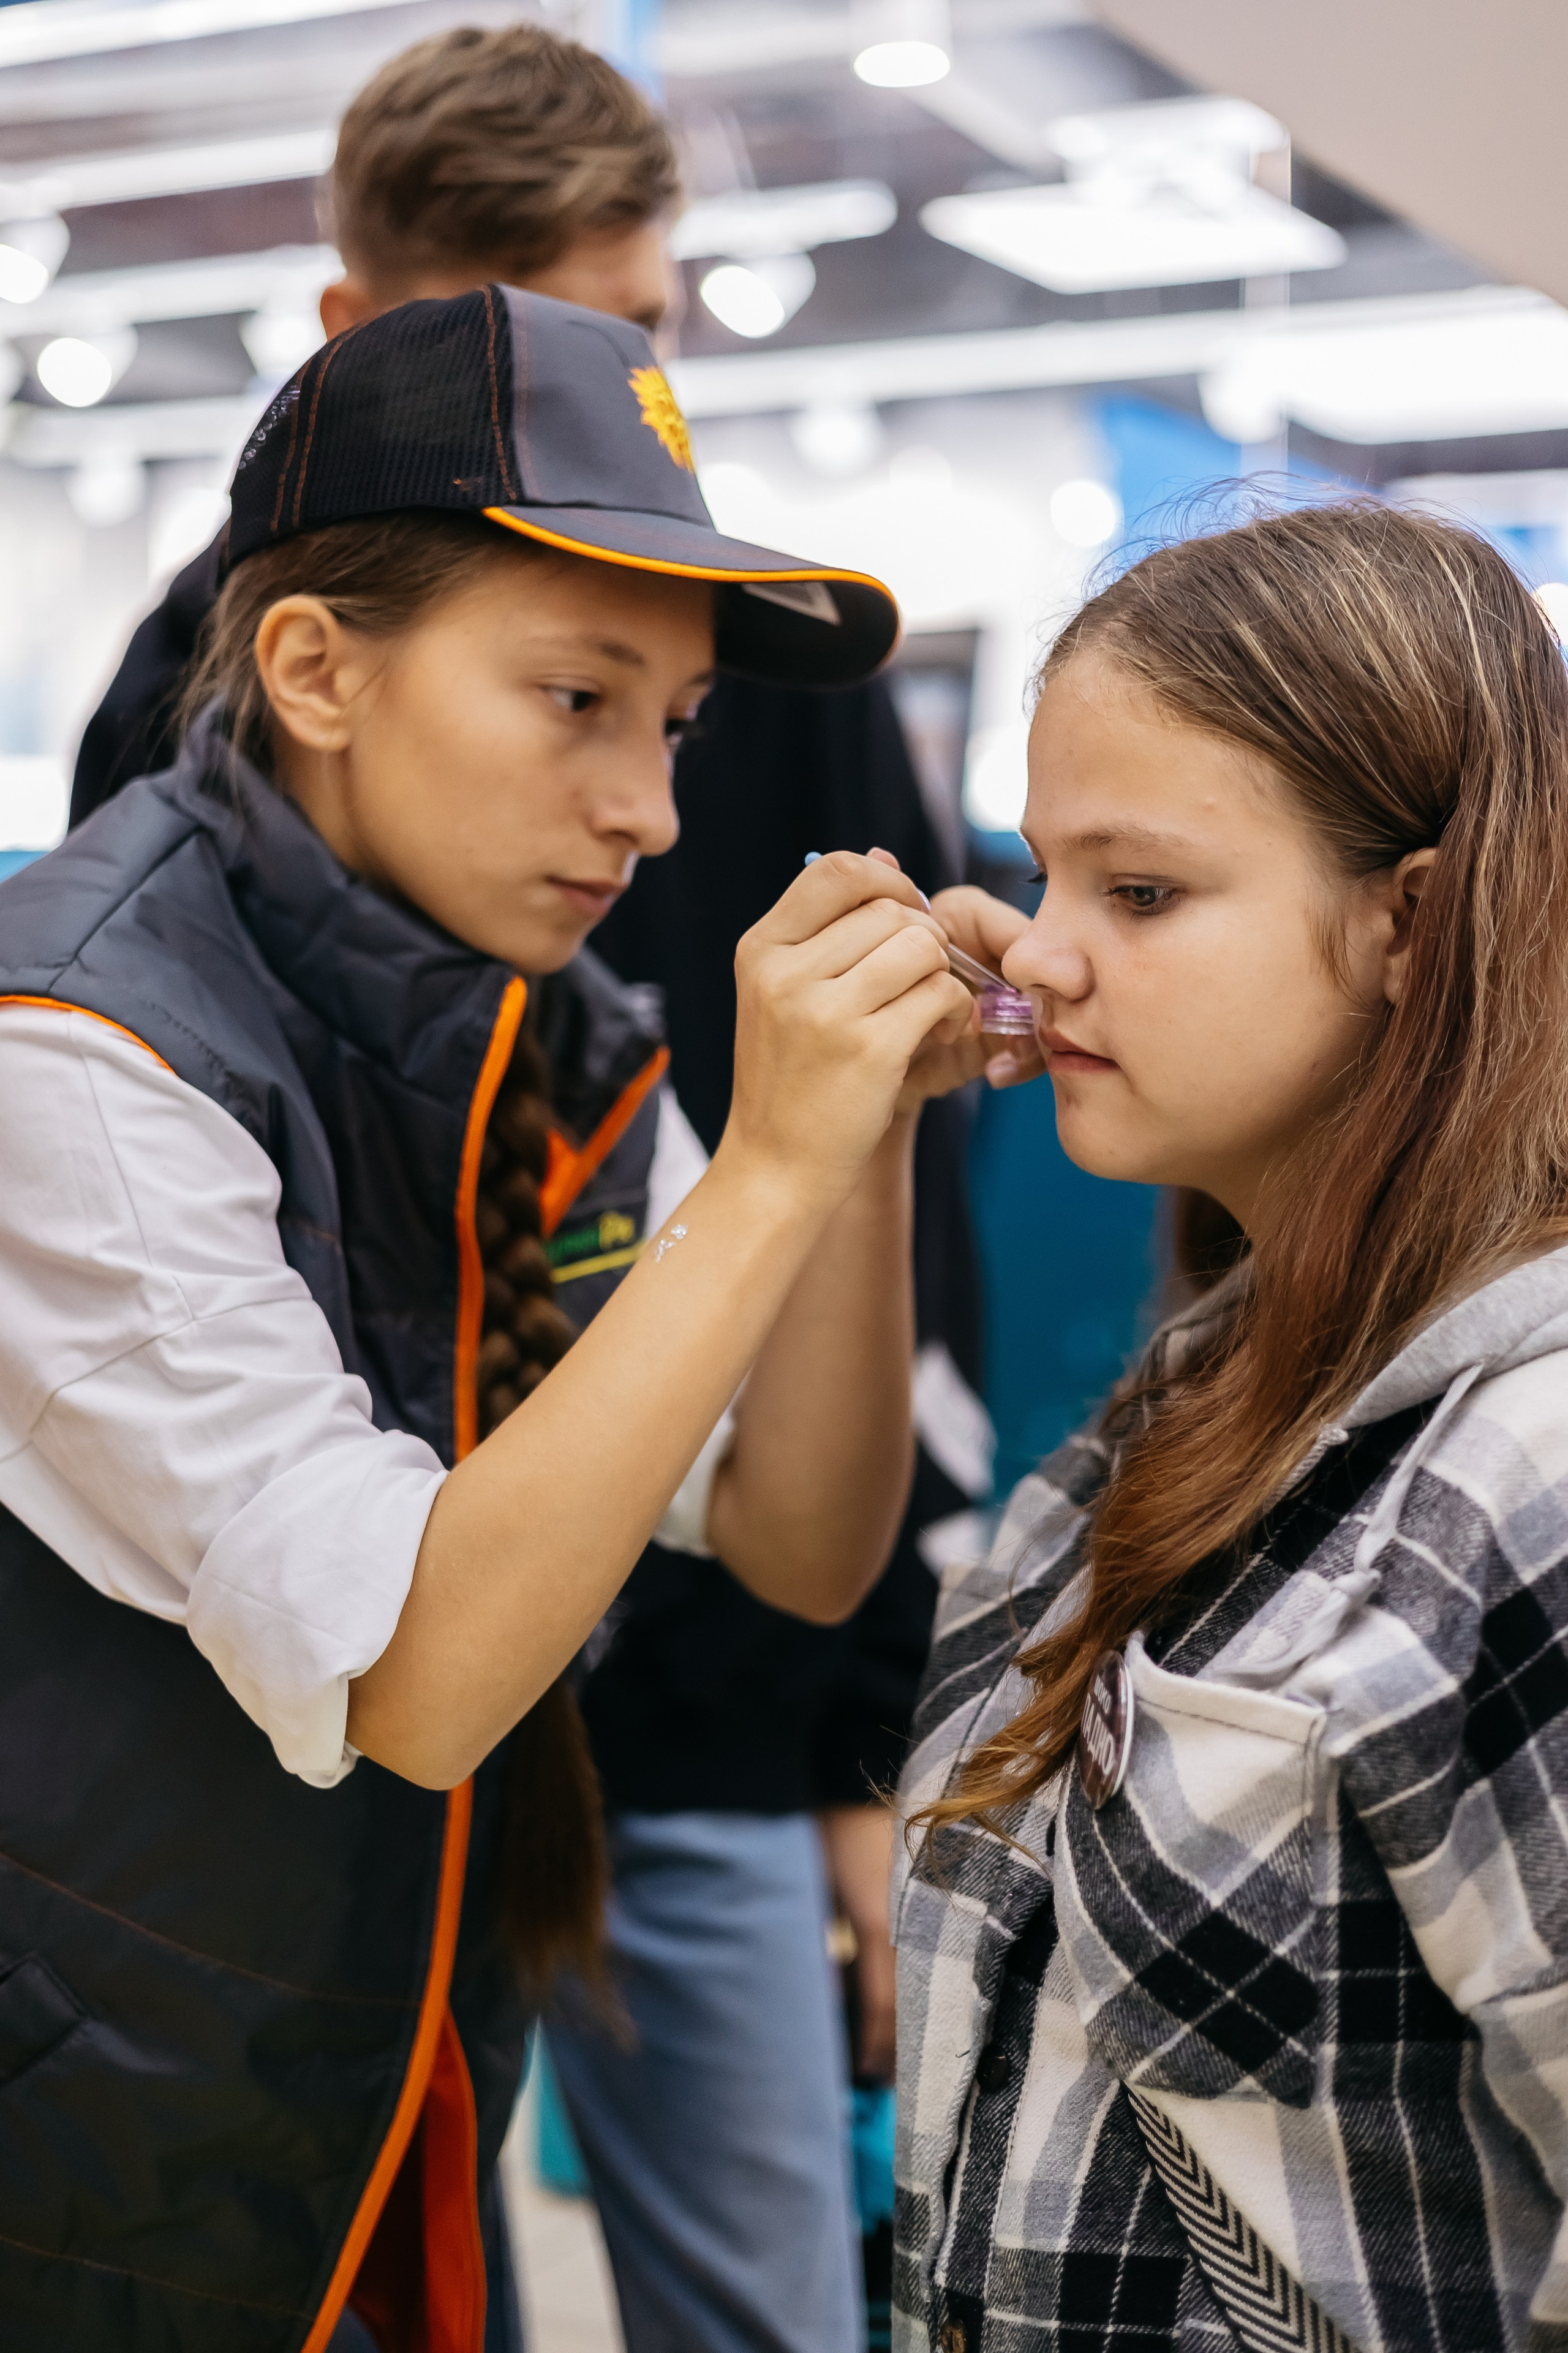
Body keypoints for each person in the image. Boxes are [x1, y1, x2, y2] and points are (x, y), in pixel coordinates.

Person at [69, 27, 984, 2349]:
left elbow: (798, 1533)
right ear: (311, 670)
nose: (658, 819)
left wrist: (849, 1142)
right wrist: (769, 1165)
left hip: (372, 2030)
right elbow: (423, 1668)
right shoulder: (78, 1051)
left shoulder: (539, 1024)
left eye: (672, 726)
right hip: (107, 2120)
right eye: (576, 700)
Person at [892, 503, 1568, 2353]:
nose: (1041, 956)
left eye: (1144, 891)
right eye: (1046, 878)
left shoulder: (1532, 1472)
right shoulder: (1214, 1377)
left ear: (1411, 923)